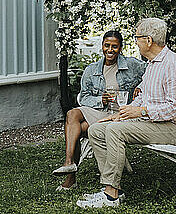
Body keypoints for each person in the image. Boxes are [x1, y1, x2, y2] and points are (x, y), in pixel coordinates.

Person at [77, 18, 176, 209]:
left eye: (137, 37)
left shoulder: (173, 64)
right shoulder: (153, 64)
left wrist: (141, 111)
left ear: (148, 40)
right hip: (151, 122)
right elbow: (142, 96)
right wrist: (121, 114)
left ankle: (110, 196)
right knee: (96, 129)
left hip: (172, 127)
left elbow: (175, 107)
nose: (135, 42)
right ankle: (114, 188)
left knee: (114, 131)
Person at [52, 30, 146, 191]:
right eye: (107, 45)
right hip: (101, 111)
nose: (110, 50)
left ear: (120, 48)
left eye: (114, 46)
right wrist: (99, 99)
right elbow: (84, 97)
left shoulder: (132, 65)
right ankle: (69, 163)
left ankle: (71, 177)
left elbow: (153, 72)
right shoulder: (92, 69)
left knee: (77, 130)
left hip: (123, 113)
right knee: (72, 114)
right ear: (102, 46)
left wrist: (141, 87)